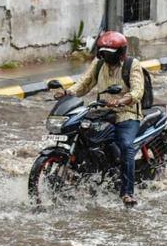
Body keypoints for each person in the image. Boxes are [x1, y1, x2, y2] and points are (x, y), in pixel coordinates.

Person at [61, 31, 143, 206]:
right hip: (102, 112)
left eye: (109, 54)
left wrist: (122, 100)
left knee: (127, 146)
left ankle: (127, 193)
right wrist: (68, 92)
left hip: (126, 113)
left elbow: (137, 91)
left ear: (120, 53)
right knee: (83, 135)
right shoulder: (98, 63)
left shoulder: (132, 65)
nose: (106, 57)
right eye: (103, 53)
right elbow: (85, 83)